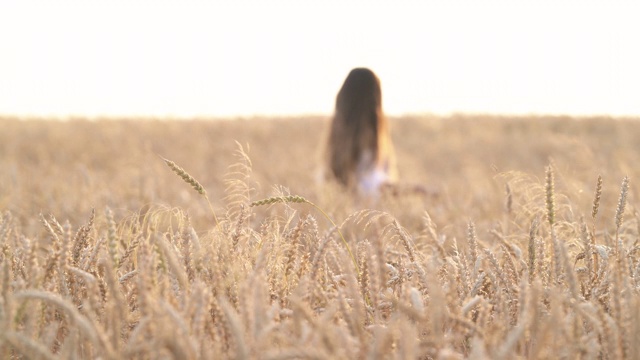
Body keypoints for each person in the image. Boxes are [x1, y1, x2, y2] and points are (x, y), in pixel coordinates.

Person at [324, 68, 397, 196]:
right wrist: (399, 190)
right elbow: (368, 185)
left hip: (345, 208)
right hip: (368, 208)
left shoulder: (337, 132)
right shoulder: (370, 133)